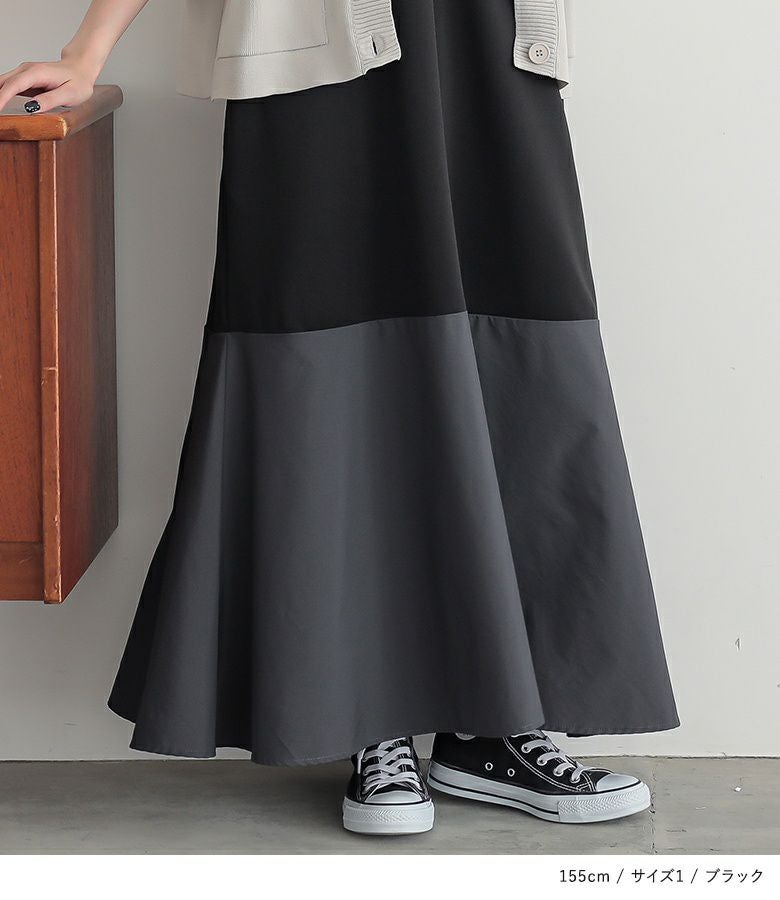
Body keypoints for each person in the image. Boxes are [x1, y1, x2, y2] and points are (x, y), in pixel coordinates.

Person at [0, 0, 679, 837]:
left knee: (524, 358)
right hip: (312, 57)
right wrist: (87, 50)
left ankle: (494, 724)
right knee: (324, 377)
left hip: (492, 46)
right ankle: (370, 716)